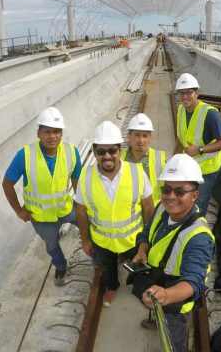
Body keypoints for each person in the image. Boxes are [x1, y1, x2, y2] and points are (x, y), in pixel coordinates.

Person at [132, 154, 215, 352]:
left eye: (180, 192)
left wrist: (166, 296)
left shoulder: (198, 237)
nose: (171, 196)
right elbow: (147, 232)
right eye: (166, 190)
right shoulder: (162, 208)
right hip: (157, 282)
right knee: (159, 315)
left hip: (175, 302)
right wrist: (143, 249)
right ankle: (158, 321)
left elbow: (194, 281)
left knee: (174, 341)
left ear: (194, 195)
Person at [76, 121, 155, 307]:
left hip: (133, 239)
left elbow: (148, 207)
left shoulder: (136, 172)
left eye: (112, 150)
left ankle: (141, 287)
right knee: (108, 269)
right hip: (103, 241)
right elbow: (81, 210)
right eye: (101, 151)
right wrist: (85, 240)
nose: (107, 156)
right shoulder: (85, 176)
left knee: (140, 266)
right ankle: (112, 287)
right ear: (94, 152)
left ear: (120, 150)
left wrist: (147, 239)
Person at [2, 106, 81, 286]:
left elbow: (77, 180)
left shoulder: (71, 152)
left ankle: (97, 258)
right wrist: (18, 210)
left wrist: (82, 205)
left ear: (61, 134)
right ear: (39, 133)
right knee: (52, 246)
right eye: (47, 132)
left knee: (90, 226)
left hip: (66, 208)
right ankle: (61, 266)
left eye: (56, 131)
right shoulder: (25, 155)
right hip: (41, 217)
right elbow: (7, 184)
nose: (52, 136)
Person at [173, 73, 221, 214]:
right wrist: (174, 159)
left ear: (197, 92)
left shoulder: (210, 114)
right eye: (181, 93)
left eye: (188, 92)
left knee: (200, 203)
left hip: (207, 171)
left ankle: (195, 230)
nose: (184, 96)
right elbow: (181, 138)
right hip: (189, 167)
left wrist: (200, 150)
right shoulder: (181, 110)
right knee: (186, 200)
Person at [121, 113, 167, 204]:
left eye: (145, 136)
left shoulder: (161, 159)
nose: (141, 140)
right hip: (128, 212)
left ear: (150, 137)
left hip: (152, 212)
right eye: (137, 135)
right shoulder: (120, 159)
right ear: (129, 136)